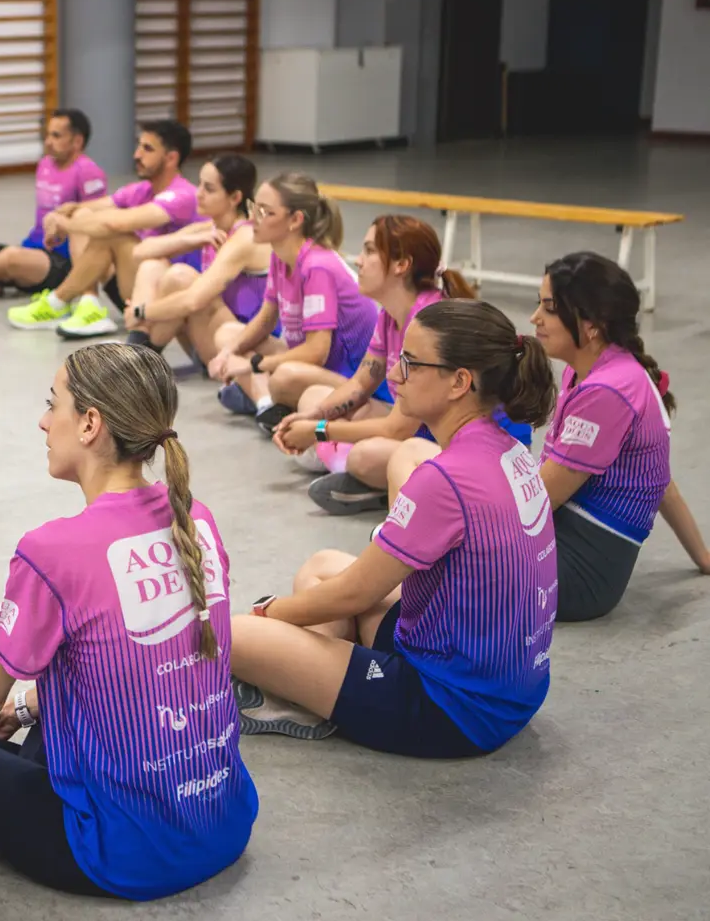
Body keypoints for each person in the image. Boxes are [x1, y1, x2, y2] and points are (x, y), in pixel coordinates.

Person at [0, 343, 258, 900]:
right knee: (67, 684)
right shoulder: (196, 518)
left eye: (52, 404)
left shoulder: (54, 551)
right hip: (223, 821)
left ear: (90, 424)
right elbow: (135, 671)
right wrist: (22, 708)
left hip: (125, 856)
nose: (43, 422)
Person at [230, 300, 559, 755]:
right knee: (323, 565)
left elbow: (354, 595)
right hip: (509, 686)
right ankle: (304, 688)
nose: (395, 375)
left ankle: (305, 689)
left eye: (411, 363)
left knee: (236, 635)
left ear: (460, 382)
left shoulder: (444, 479)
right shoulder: (510, 450)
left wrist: (268, 612)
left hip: (452, 709)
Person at [269, 216, 530, 513]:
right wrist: (311, 417)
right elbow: (360, 383)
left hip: (486, 454)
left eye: (369, 251)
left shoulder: (426, 322)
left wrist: (319, 431)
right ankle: (361, 475)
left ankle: (367, 478)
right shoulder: (390, 314)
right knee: (314, 398)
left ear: (401, 264)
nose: (358, 260)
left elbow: (397, 429)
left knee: (367, 455)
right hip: (432, 428)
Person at [529, 252, 710, 621]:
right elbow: (661, 482)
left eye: (550, 308)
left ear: (592, 324)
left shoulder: (607, 393)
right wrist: (703, 557)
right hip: (570, 547)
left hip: (578, 575)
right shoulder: (598, 369)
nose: (535, 318)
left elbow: (540, 499)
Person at [207, 173, 379, 436]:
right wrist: (228, 352)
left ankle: (269, 399)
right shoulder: (280, 257)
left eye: (265, 212)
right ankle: (268, 405)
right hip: (317, 367)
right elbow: (266, 319)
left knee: (284, 376)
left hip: (354, 380)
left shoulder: (317, 266)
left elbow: (316, 352)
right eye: (254, 207)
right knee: (227, 335)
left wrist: (253, 365)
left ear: (295, 220)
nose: (252, 219)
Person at [7, 119, 200, 339]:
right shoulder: (141, 190)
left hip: (165, 301)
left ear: (171, 158)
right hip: (135, 290)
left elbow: (117, 224)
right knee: (83, 218)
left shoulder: (182, 195)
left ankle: (58, 302)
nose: (137, 155)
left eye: (147, 149)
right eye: (138, 146)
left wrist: (66, 225)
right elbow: (85, 209)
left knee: (113, 234)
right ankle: (89, 304)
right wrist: (59, 214)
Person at [0, 108, 108, 303]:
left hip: (59, 262)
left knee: (11, 257)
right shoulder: (45, 164)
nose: (48, 142)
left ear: (77, 141)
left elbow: (95, 225)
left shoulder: (88, 172)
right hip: (31, 250)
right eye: (47, 135)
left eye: (56, 136)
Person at [122, 154, 271, 361]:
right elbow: (140, 251)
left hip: (237, 342)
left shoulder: (246, 236)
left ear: (235, 197)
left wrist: (140, 312)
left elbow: (193, 301)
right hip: (207, 334)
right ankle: (137, 352)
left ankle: (136, 357)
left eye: (209, 189)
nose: (198, 194)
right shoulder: (210, 228)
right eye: (199, 184)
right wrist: (191, 240)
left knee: (180, 277)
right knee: (152, 266)